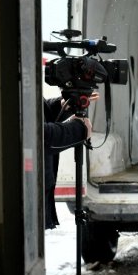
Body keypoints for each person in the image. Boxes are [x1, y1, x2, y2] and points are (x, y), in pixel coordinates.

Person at [43, 97, 92, 230]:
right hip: (26, 193)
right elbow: (37, 135)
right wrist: (79, 130)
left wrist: (61, 105)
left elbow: (37, 112)